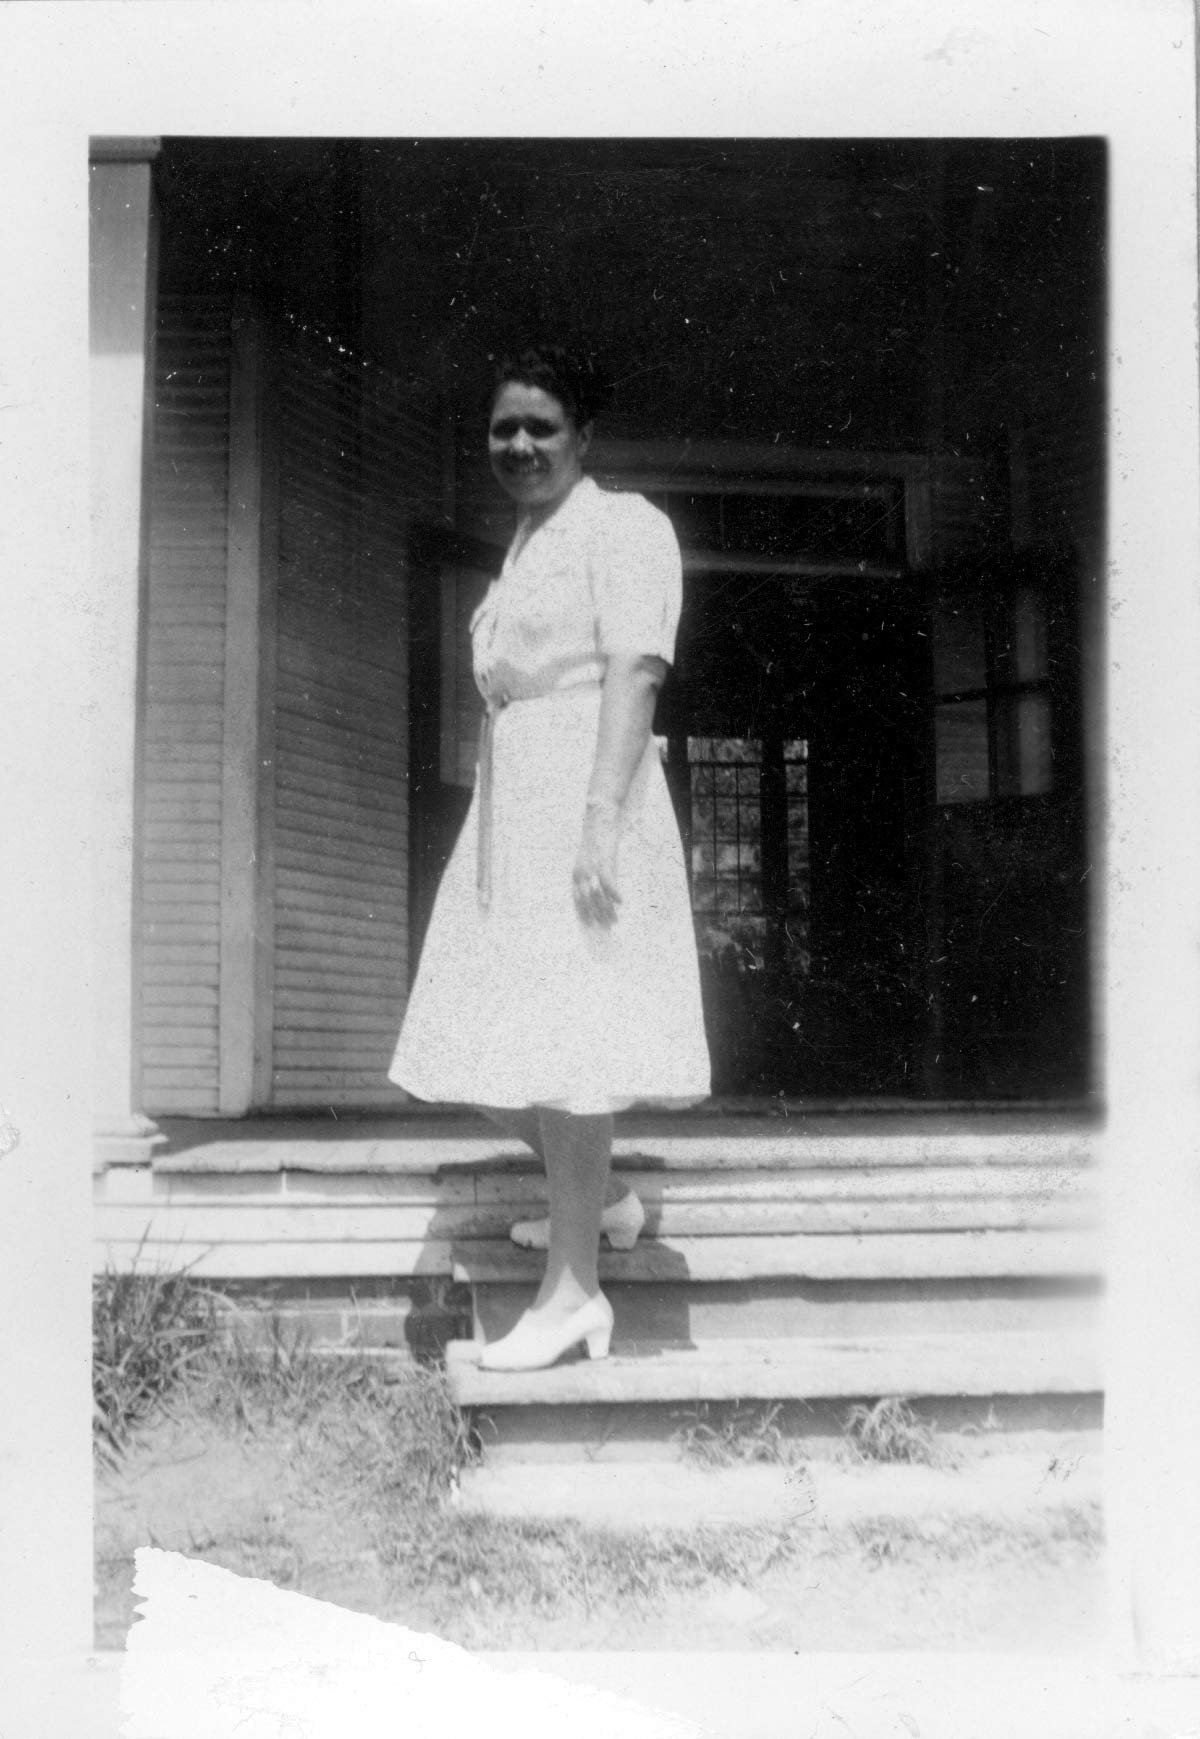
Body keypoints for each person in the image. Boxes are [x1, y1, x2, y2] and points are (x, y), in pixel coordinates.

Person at [389, 344, 710, 1371]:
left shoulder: (624, 526)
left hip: (584, 792)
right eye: (503, 429)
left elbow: (636, 673)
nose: (519, 445)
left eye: (541, 426)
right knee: (474, 1033)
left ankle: (574, 1293)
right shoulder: (526, 544)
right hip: (511, 807)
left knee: (569, 1040)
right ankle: (604, 1199)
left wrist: (599, 821)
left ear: (585, 438)